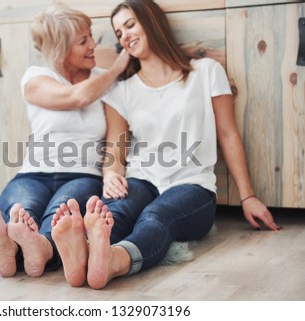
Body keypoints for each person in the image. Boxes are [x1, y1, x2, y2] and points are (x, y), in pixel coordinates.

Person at [51, 0, 282, 289]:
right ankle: (83, 254)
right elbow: (115, 149)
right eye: (119, 33)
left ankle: (115, 260)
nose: (125, 36)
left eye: (130, 25)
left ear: (152, 21)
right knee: (116, 212)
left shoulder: (206, 72)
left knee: (156, 215)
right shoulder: (122, 91)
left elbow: (228, 134)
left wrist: (247, 197)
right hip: (142, 178)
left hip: (192, 185)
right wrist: (111, 175)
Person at [0, 4, 130, 278]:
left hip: (81, 175)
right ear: (60, 47)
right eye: (83, 41)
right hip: (33, 174)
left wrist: (111, 174)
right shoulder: (35, 78)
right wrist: (117, 67)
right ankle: (9, 248)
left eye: (90, 36)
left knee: (61, 217)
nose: (93, 44)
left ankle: (39, 249)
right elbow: (77, 97)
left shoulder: (106, 83)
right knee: (24, 210)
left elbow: (117, 139)